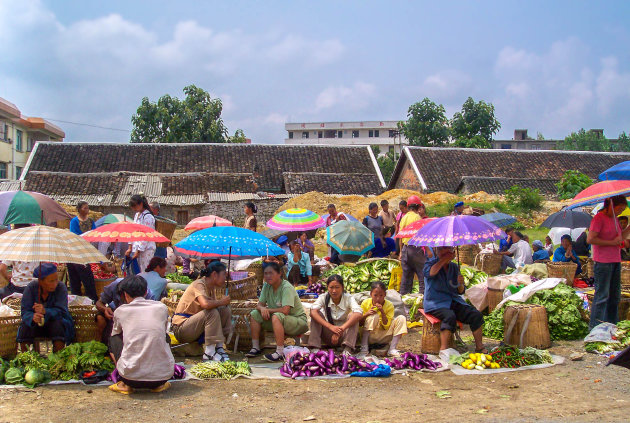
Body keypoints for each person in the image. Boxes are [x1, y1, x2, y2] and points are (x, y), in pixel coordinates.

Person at [108, 275, 174, 394]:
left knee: (113, 339)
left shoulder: (121, 311)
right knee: (165, 337)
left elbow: (116, 333)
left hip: (130, 378)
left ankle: (124, 384)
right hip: (162, 377)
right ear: (145, 292)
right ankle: (157, 385)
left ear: (125, 295)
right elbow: (163, 331)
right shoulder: (161, 307)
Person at [424, 247, 485, 352]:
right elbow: (431, 273)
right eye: (445, 250)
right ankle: (444, 349)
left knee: (476, 315)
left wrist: (460, 283)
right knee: (449, 316)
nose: (448, 253)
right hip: (435, 303)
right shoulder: (430, 264)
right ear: (438, 252)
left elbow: (460, 291)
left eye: (450, 251)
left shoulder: (454, 267)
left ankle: (479, 347)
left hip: (453, 300)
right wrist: (443, 260)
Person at [247, 262, 308, 361]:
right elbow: (259, 305)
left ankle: (279, 352)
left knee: (276, 316)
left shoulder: (286, 287)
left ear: (279, 273)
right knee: (254, 314)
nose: (268, 276)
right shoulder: (267, 286)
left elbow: (285, 310)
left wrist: (267, 310)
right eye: (266, 273)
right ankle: (255, 347)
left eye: (271, 273)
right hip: (279, 320)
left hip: (298, 322)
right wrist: (262, 309)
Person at [172, 262, 232, 362]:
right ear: (214, 275)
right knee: (212, 312)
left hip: (194, 327)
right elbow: (205, 304)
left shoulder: (211, 288)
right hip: (182, 328)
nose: (225, 279)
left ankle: (219, 347)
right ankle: (209, 353)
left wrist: (222, 304)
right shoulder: (199, 284)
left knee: (224, 310)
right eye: (223, 275)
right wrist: (221, 301)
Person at [587, 195, 630, 329]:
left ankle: (612, 325)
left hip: (615, 260)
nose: (620, 212)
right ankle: (595, 326)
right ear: (611, 205)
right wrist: (610, 243)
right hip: (603, 262)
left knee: (614, 296)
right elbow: (590, 239)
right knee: (602, 296)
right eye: (619, 209)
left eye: (623, 210)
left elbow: (620, 237)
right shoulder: (599, 219)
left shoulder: (615, 220)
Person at [17, 263, 74, 353]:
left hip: (55, 323)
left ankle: (58, 358)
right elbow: (25, 311)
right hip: (36, 325)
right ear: (41, 281)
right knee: (25, 325)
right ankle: (25, 358)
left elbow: (62, 311)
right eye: (51, 281)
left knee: (58, 325)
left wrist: (45, 311)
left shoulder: (61, 287)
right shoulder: (31, 288)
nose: (55, 284)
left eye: (56, 280)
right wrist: (32, 317)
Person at [308, 275, 362, 356]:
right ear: (327, 288)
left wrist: (341, 329)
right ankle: (315, 347)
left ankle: (347, 348)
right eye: (331, 287)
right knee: (317, 314)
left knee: (353, 316)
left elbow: (358, 313)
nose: (334, 291)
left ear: (342, 287)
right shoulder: (324, 297)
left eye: (337, 287)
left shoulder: (348, 298)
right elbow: (313, 312)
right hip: (328, 333)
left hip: (344, 334)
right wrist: (330, 327)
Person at [95, 275, 153, 346]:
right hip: (114, 315)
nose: (125, 300)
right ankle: (104, 344)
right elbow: (99, 303)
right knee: (100, 318)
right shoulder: (115, 286)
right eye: (123, 298)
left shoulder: (149, 296)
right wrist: (105, 309)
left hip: (137, 320)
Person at [359, 281, 407, 358]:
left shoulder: (389, 305)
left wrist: (382, 312)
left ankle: (392, 349)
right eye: (375, 295)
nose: (378, 298)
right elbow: (360, 323)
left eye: (381, 295)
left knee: (401, 318)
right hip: (370, 335)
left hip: (384, 335)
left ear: (385, 295)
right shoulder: (365, 303)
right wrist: (366, 314)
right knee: (373, 316)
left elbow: (386, 325)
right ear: (371, 294)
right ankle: (364, 349)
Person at [68, 202, 98, 301]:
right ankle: (77, 299)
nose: (87, 210)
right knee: (76, 279)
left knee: (87, 279)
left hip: (86, 250)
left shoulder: (90, 221)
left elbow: (95, 233)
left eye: (87, 208)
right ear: (79, 209)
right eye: (85, 208)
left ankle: (91, 299)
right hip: (76, 251)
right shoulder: (74, 221)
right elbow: (74, 236)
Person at [399, 195, 429, 294]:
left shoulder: (404, 217)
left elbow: (400, 235)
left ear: (408, 206)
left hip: (405, 249)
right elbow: (422, 236)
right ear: (418, 207)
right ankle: (422, 299)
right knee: (421, 275)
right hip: (415, 249)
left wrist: (400, 252)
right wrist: (428, 250)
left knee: (406, 277)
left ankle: (403, 299)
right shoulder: (417, 217)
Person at [125, 195, 156, 275]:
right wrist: (130, 247)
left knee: (144, 271)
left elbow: (146, 235)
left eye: (135, 206)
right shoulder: (137, 215)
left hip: (146, 249)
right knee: (136, 271)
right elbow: (133, 231)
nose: (134, 209)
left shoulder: (148, 217)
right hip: (136, 247)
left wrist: (139, 250)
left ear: (141, 204)